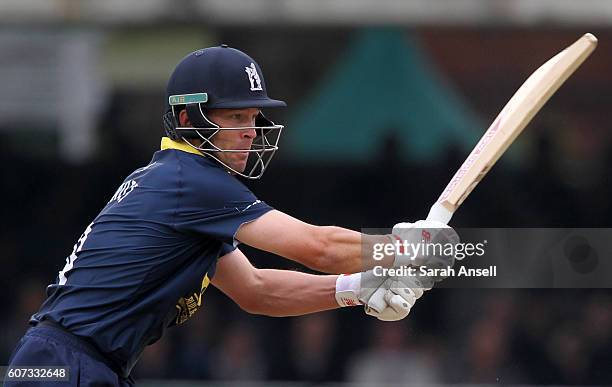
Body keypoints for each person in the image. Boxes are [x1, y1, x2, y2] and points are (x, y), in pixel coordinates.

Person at [6, 45, 458, 386]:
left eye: (254, 117)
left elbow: (256, 290)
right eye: (236, 117)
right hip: (66, 366)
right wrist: (403, 249)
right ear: (188, 118)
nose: (250, 132)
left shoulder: (179, 190)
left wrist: (357, 288)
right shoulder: (190, 180)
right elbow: (315, 246)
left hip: (67, 363)